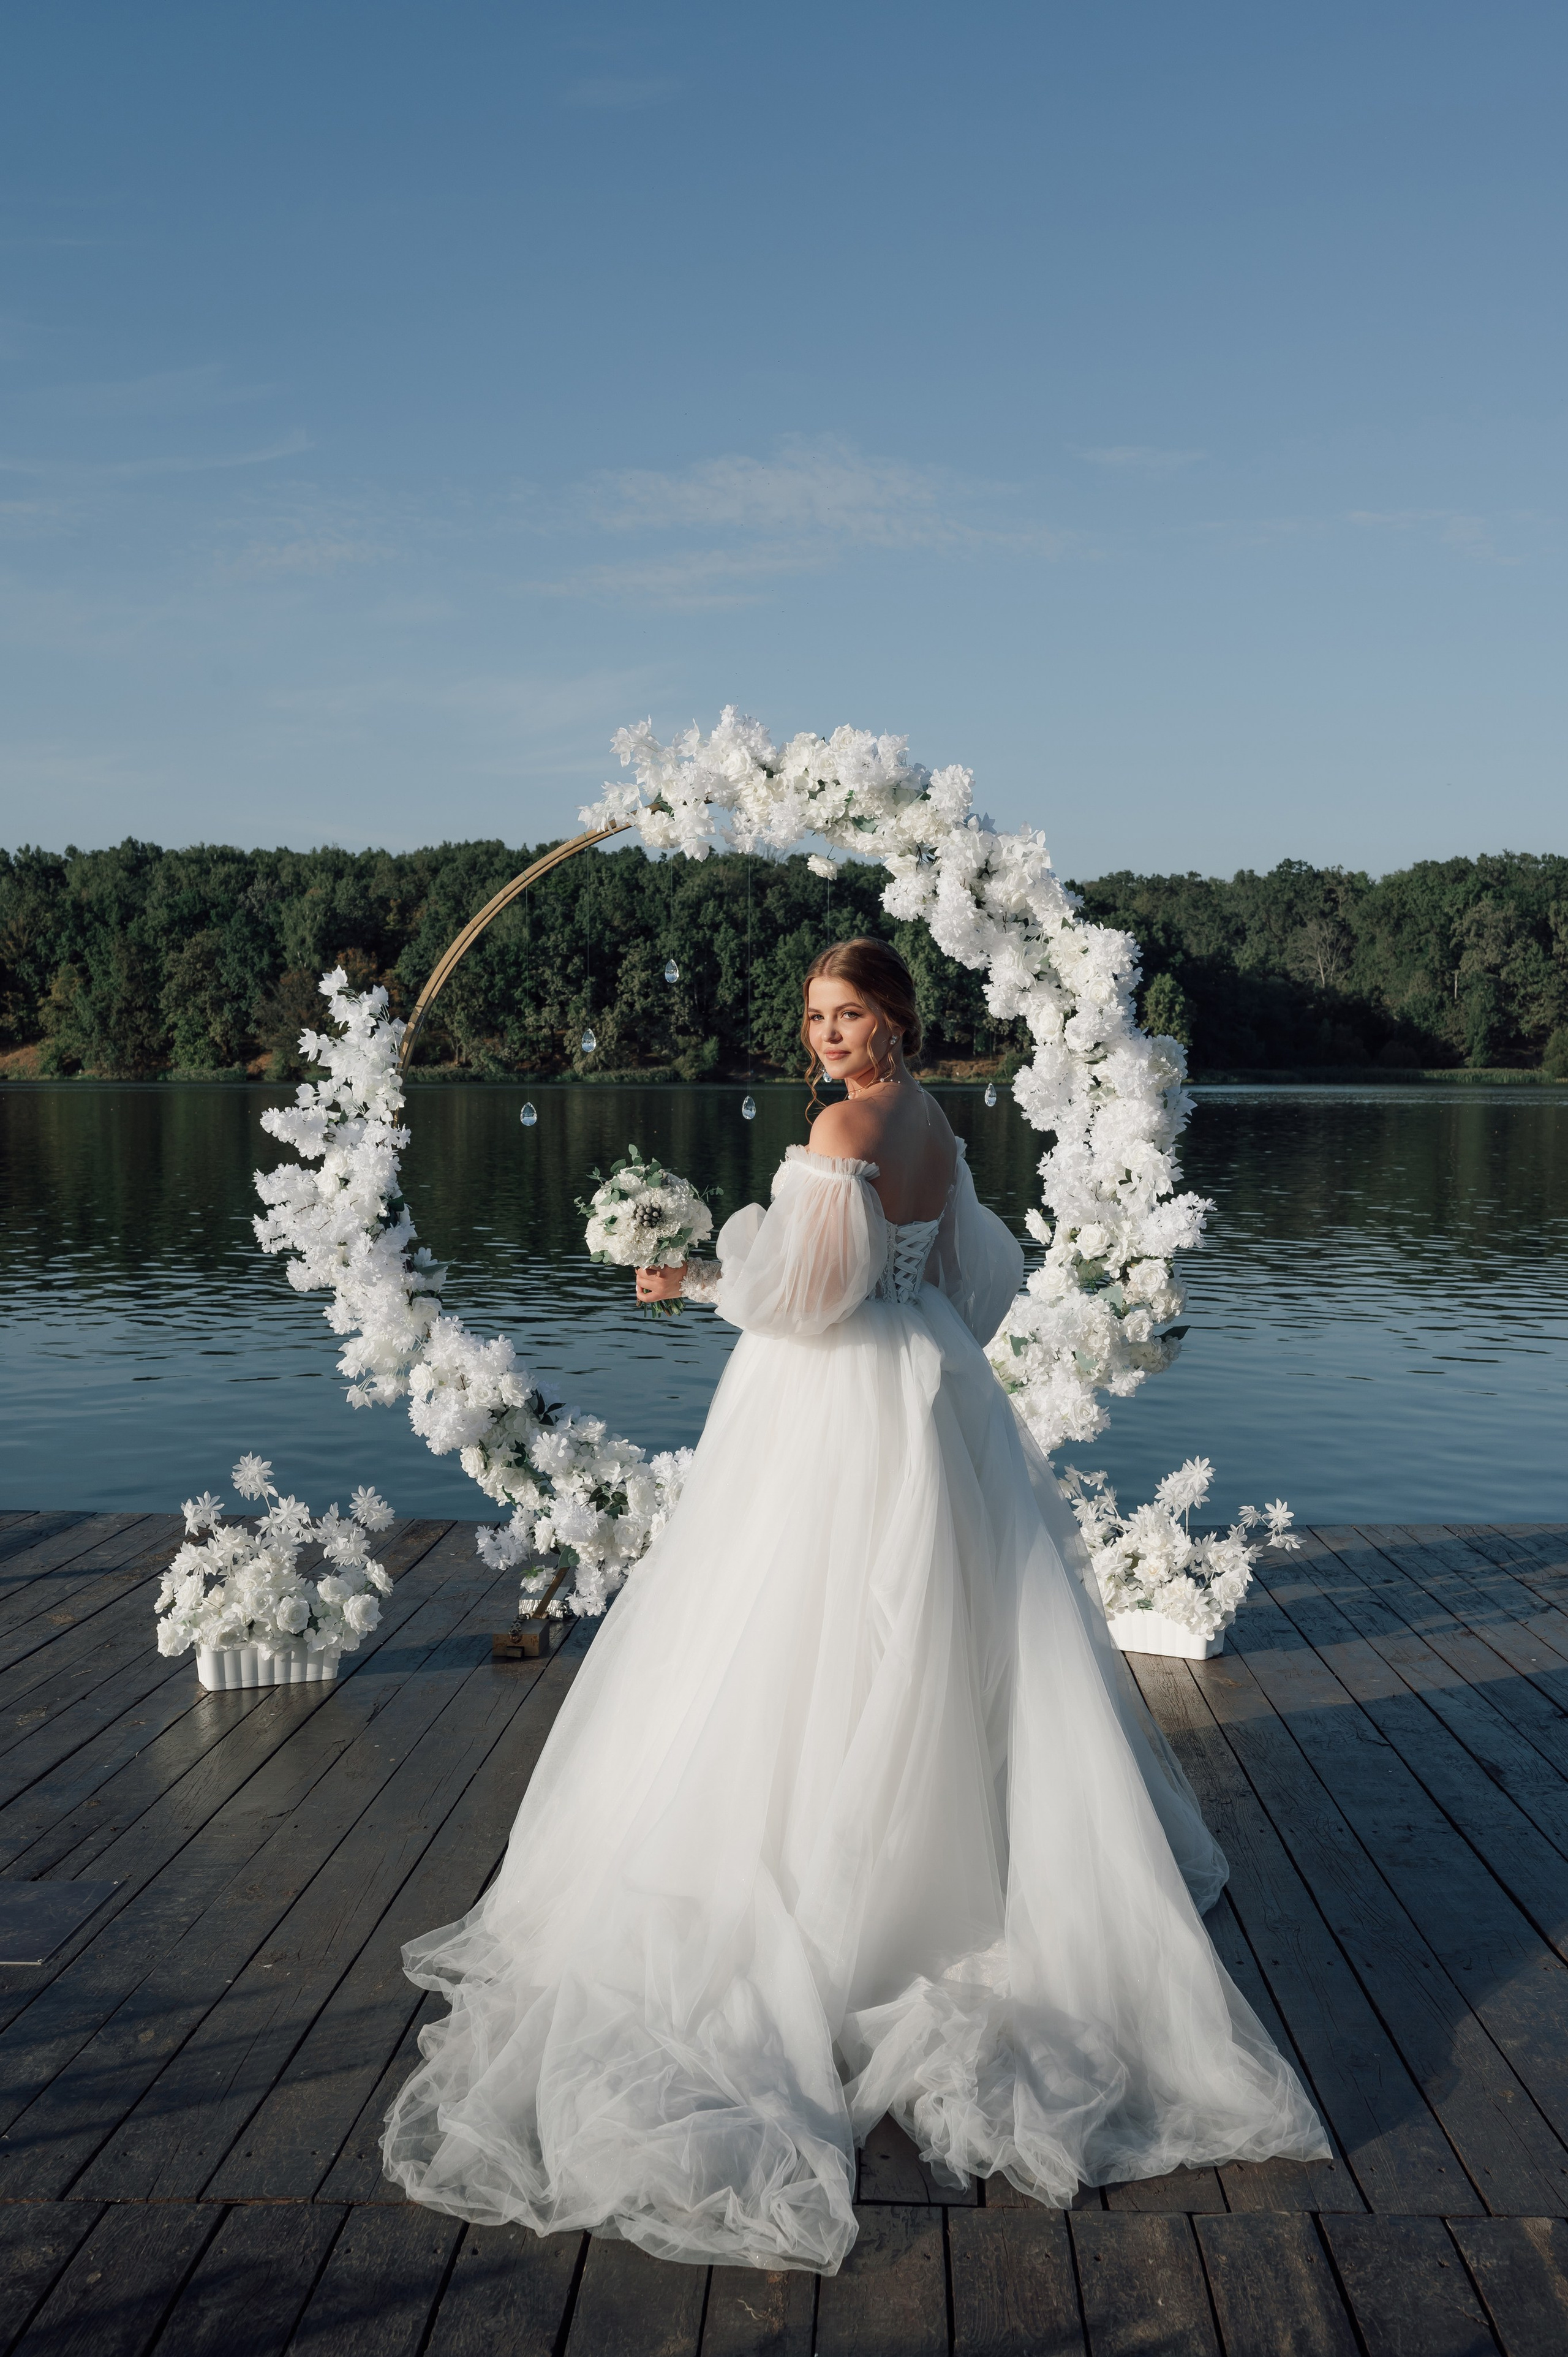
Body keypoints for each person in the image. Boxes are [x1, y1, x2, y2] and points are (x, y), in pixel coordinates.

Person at [381, 936, 1327, 2271]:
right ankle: (954, 1867)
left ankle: (837, 1900)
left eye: (849, 1012)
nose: (829, 1035)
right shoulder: (933, 1116)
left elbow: (806, 1299)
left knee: (799, 1627)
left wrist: (695, 1275)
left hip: (832, 1412)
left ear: (889, 1015)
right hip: (934, 1396)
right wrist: (851, 1290)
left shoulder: (842, 1124)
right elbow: (975, 1283)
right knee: (931, 1632)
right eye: (817, 1015)